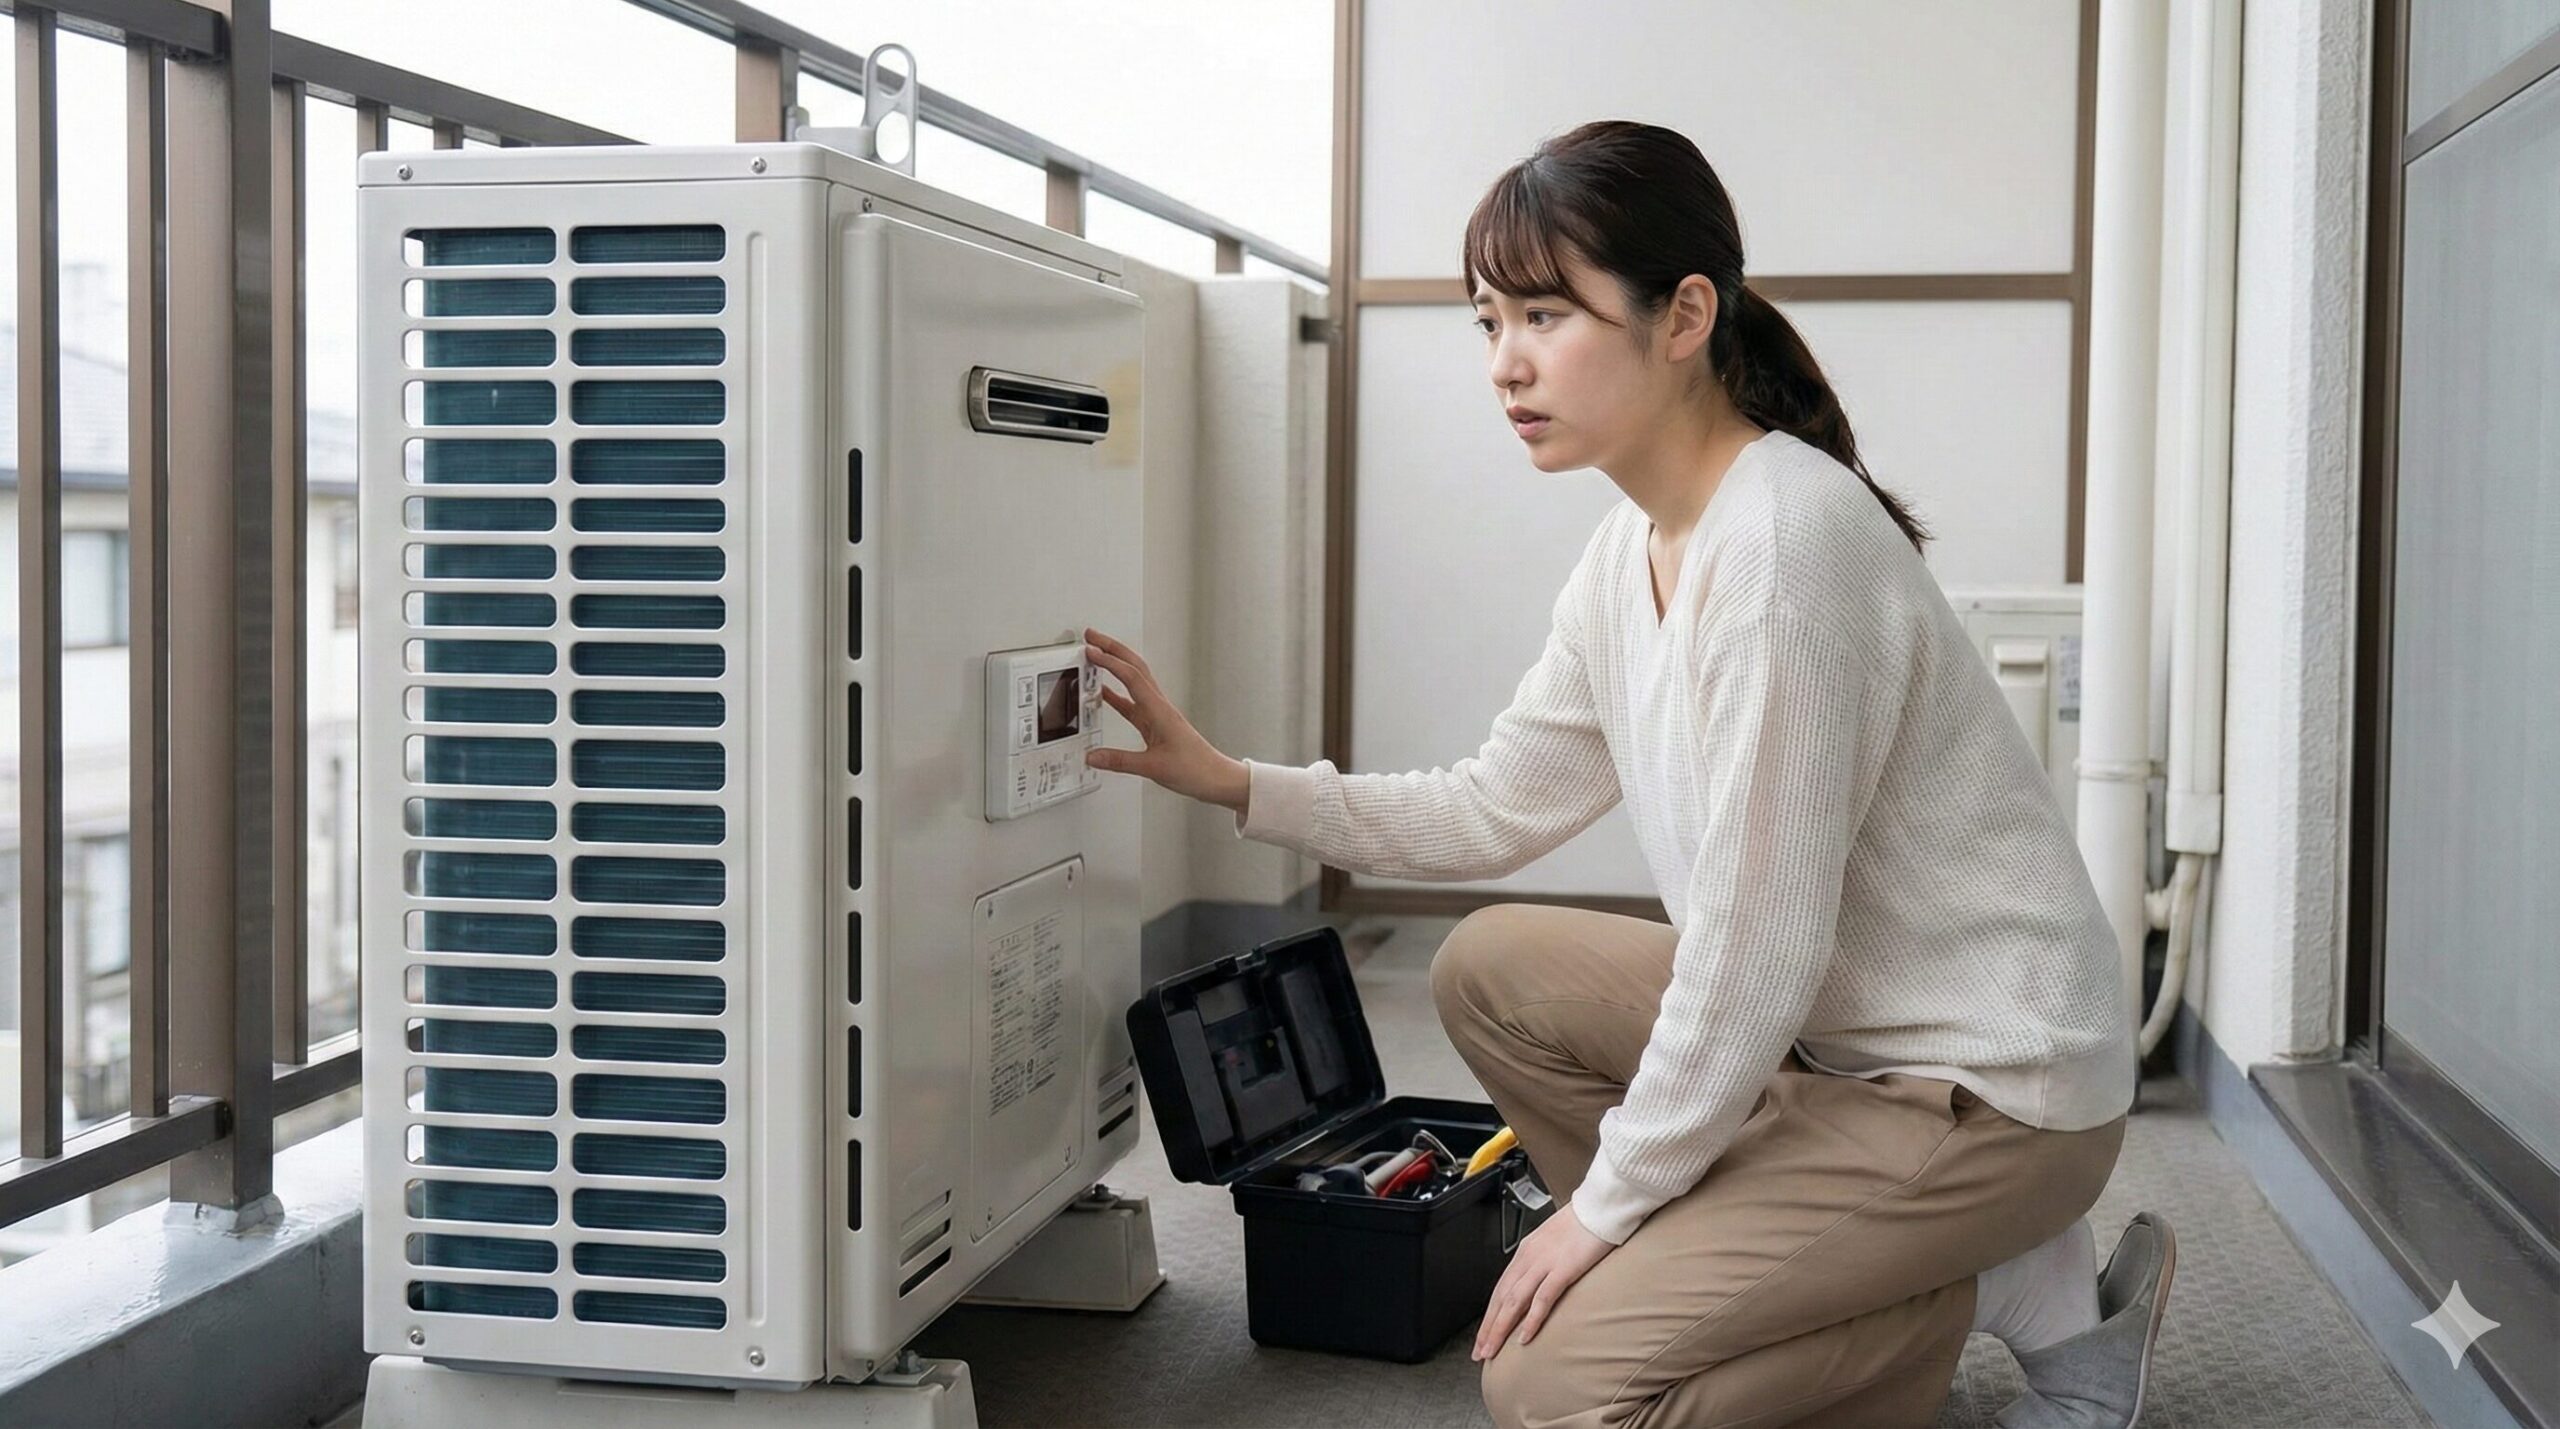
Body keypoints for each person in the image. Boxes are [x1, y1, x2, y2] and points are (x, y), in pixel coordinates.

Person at [1079, 119, 2173, 1429]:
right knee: (1488, 967)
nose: (1506, 362)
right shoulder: (1631, 554)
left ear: (1684, 316)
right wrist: (1236, 782)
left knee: (1550, 1386)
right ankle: (1878, 1264)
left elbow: (1756, 958)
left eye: (1545, 313)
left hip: (1997, 1099)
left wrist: (1602, 1210)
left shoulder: (1779, 548)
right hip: (1847, 1055)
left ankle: (1947, 1283)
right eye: (1489, 320)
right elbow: (1492, 805)